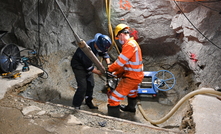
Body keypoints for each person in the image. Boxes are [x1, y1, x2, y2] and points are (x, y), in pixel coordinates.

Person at [107, 24, 144, 117]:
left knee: (114, 99)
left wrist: (110, 69)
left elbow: (120, 62)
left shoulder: (129, 45)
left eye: (118, 37)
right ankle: (131, 109)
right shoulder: (132, 44)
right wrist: (118, 73)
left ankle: (113, 119)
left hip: (131, 78)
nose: (118, 40)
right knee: (132, 93)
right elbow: (126, 65)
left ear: (121, 35)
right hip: (136, 76)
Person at [71, 33, 112, 109]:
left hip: (88, 64)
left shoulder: (99, 44)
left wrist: (109, 64)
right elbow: (89, 68)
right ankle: (76, 105)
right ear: (97, 44)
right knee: (82, 86)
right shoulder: (86, 50)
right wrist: (101, 73)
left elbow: (104, 53)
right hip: (79, 66)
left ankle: (88, 101)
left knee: (91, 84)